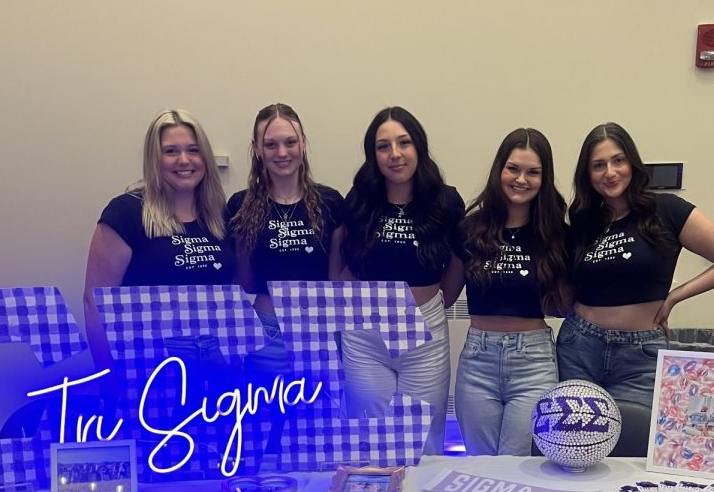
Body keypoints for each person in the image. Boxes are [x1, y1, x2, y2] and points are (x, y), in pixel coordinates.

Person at [557, 123, 714, 406]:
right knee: (577, 443)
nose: (610, 172)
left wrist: (673, 298)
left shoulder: (666, 209)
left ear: (632, 163)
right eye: (598, 165)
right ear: (588, 174)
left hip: (640, 353)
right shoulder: (583, 221)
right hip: (580, 347)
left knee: (636, 441)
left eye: (618, 161)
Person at [337, 106, 464, 454]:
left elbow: (456, 264)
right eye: (383, 146)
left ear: (418, 147)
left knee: (422, 441)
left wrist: (432, 305)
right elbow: (345, 264)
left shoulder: (446, 201)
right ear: (372, 154)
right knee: (369, 441)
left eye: (403, 142)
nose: (394, 154)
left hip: (424, 333)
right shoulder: (359, 201)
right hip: (366, 337)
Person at [449, 128, 569, 455]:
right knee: (480, 464)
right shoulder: (470, 229)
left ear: (544, 179)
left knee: (520, 464)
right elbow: (445, 295)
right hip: (478, 360)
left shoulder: (556, 233)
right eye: (513, 169)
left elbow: (565, 305)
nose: (521, 179)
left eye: (533, 172)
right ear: (499, 170)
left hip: (534, 361)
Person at [83, 108, 233, 366]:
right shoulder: (126, 212)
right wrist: (108, 373)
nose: (184, 160)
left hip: (215, 357)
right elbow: (95, 303)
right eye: (171, 151)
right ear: (155, 159)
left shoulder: (219, 215)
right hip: (150, 358)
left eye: (193, 150)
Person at [228, 102, 345, 353]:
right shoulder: (240, 205)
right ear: (257, 149)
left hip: (320, 330)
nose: (282, 153)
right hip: (265, 331)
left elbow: (336, 278)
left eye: (290, 142)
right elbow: (245, 281)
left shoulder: (331, 201)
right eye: (271, 144)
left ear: (303, 143)